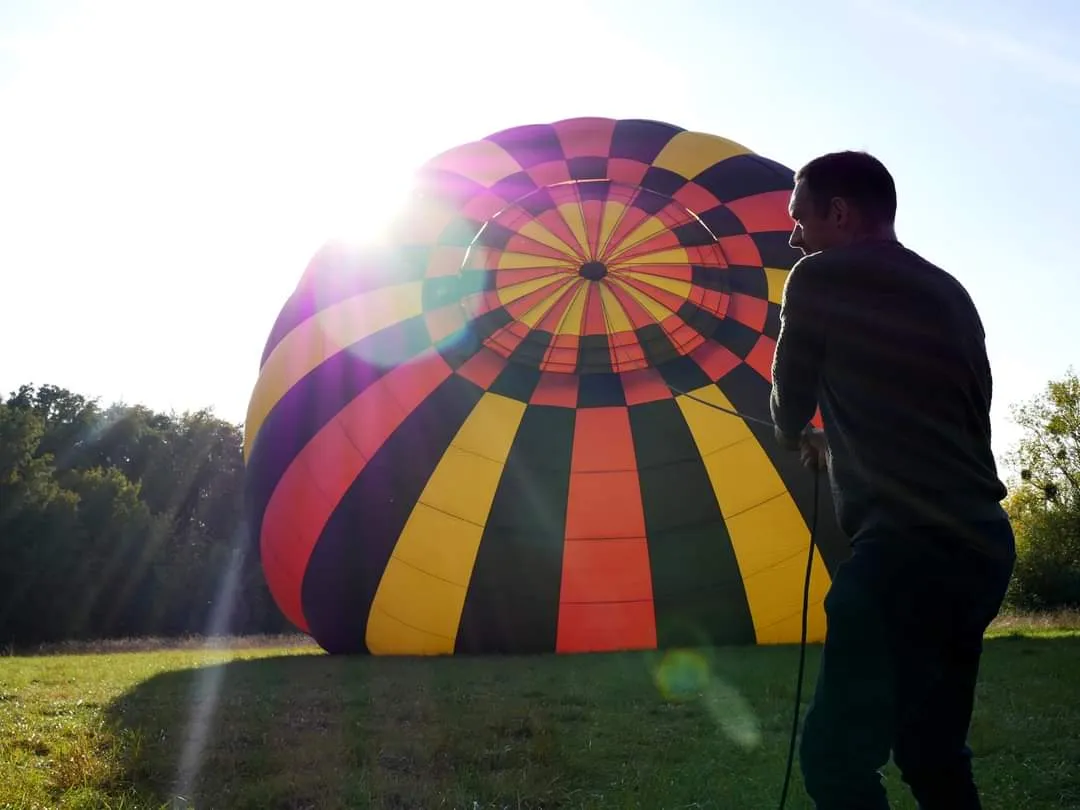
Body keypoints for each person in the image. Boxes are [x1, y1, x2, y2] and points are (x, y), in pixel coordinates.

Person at [769, 150, 1017, 809]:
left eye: (801, 218)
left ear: (839, 214)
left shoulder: (818, 277)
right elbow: (961, 408)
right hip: (982, 543)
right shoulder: (948, 288)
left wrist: (797, 433)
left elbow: (788, 404)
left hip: (906, 549)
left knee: (834, 758)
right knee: (932, 752)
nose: (794, 235)